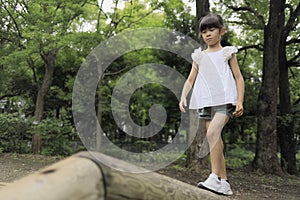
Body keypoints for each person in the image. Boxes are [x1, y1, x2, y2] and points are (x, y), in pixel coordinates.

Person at [179, 13, 244, 196]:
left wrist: (240, 100)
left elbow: (238, 78)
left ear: (221, 31)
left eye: (212, 29)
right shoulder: (199, 56)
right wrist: (183, 97)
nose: (208, 34)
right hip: (207, 103)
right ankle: (224, 183)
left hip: (224, 100)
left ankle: (214, 176)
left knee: (212, 133)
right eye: (204, 31)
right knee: (214, 139)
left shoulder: (227, 53)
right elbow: (191, 79)